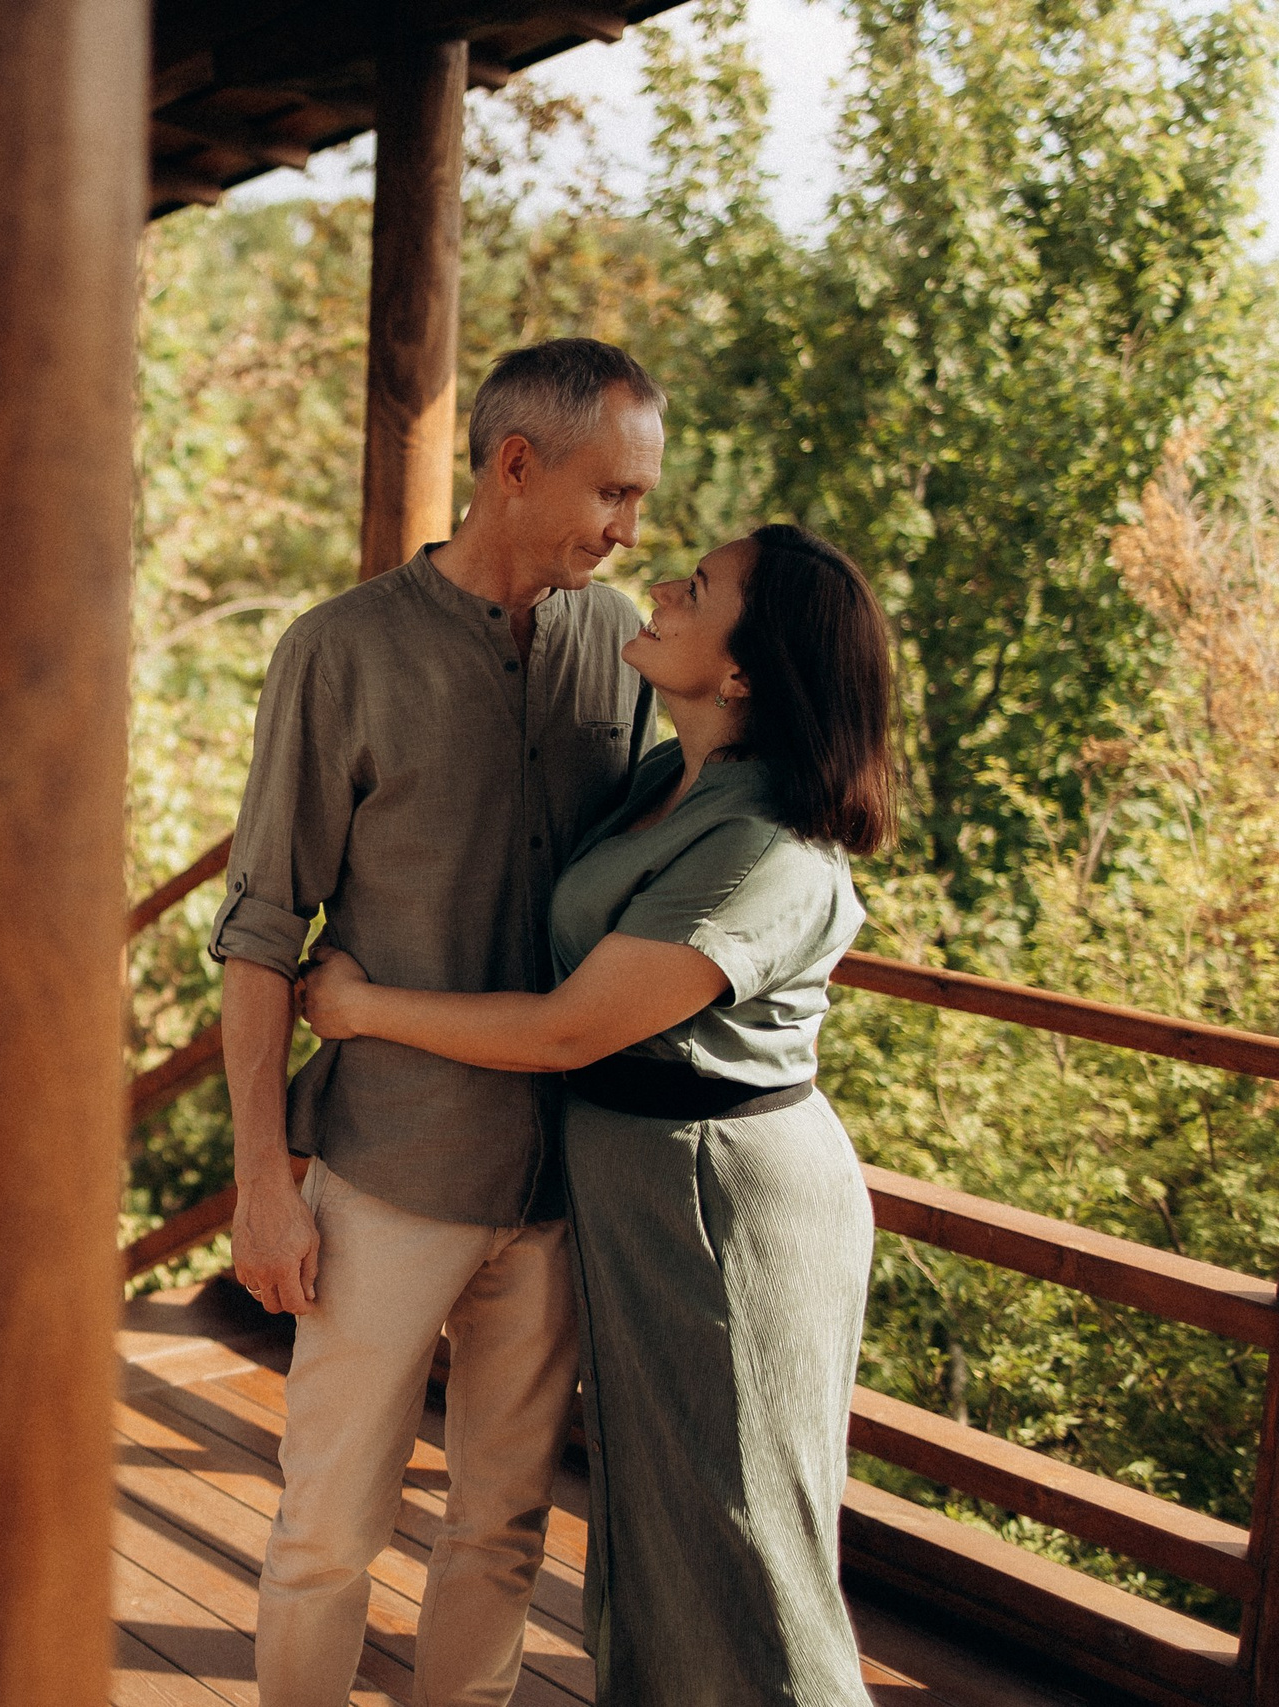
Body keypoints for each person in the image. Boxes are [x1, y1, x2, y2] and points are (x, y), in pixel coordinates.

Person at [299, 523, 898, 1707]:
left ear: (741, 670)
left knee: (747, 1538)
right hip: (638, 1194)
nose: (666, 583)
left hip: (728, 1204)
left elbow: (570, 1029)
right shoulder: (665, 779)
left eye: (703, 586)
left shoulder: (763, 845)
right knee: (656, 1533)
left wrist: (362, 1007)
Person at [212, 338, 663, 1707]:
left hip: (557, 1180)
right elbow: (259, 927)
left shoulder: (621, 637)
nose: (629, 526)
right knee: (325, 1535)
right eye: (613, 492)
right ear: (513, 466)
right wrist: (257, 1181)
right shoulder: (339, 651)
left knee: (503, 1531)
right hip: (390, 1179)